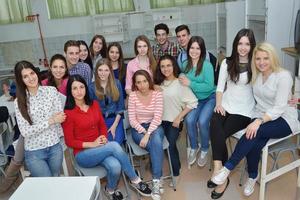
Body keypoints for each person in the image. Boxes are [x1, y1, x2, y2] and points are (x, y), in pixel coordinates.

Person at [211, 42, 300, 197]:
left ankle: (227, 169)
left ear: (272, 58)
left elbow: (279, 108)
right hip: (262, 114)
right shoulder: (257, 74)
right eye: (258, 59)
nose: (261, 62)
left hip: (284, 118)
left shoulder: (283, 76)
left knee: (254, 131)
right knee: (254, 141)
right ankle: (253, 176)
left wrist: (258, 121)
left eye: (266, 58)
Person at [62, 75, 151, 200]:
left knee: (116, 167)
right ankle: (135, 179)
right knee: (114, 145)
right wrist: (92, 144)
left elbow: (102, 125)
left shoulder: (93, 104)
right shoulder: (68, 113)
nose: (79, 91)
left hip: (100, 147)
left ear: (86, 88)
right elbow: (69, 141)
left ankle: (110, 189)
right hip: (83, 154)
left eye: (81, 87)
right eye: (74, 88)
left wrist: (103, 136)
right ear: (70, 92)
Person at [208, 28, 256, 199]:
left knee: (221, 132)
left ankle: (222, 178)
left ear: (252, 46)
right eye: (240, 43)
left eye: (247, 44)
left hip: (244, 111)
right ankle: (218, 169)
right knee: (214, 123)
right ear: (236, 44)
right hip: (226, 105)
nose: (243, 47)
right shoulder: (227, 63)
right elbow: (220, 87)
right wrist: (219, 104)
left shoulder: (256, 64)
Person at [14, 61, 65, 177]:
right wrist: (50, 121)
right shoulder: (19, 101)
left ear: (36, 73)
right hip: (34, 151)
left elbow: (60, 117)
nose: (31, 78)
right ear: (21, 80)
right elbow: (25, 131)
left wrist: (40, 125)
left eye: (32, 73)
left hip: (54, 146)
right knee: (46, 184)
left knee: (55, 177)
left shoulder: (51, 91)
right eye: (25, 76)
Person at [155, 55, 198, 186]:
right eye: (162, 66)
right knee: (156, 143)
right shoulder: (158, 84)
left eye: (168, 65)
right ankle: (157, 173)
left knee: (170, 144)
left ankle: (176, 172)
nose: (166, 69)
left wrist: (179, 117)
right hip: (159, 121)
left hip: (173, 121)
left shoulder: (180, 83)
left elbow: (193, 102)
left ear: (173, 66)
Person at [179, 36, 216, 167]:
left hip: (210, 98)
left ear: (202, 51)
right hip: (195, 100)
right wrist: (181, 77)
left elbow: (209, 86)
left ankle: (205, 148)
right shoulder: (185, 64)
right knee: (189, 120)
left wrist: (191, 83)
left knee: (203, 121)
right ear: (188, 49)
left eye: (198, 48)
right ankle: (194, 147)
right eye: (192, 48)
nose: (194, 51)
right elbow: (183, 79)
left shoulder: (207, 66)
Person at [128, 70, 164, 200]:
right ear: (135, 84)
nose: (142, 85)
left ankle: (155, 181)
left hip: (155, 126)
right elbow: (132, 121)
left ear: (149, 81)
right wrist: (144, 132)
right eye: (138, 82)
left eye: (144, 81)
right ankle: (159, 179)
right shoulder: (132, 96)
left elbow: (158, 117)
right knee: (157, 145)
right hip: (138, 129)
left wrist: (148, 134)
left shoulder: (157, 95)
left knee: (156, 141)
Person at [89, 58, 125, 144]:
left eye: (106, 70)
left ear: (110, 71)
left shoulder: (117, 83)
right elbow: (91, 110)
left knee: (116, 143)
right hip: (100, 122)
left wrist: (114, 126)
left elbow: (120, 107)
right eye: (100, 70)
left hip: (115, 120)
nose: (103, 73)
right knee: (105, 145)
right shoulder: (91, 87)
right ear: (96, 71)